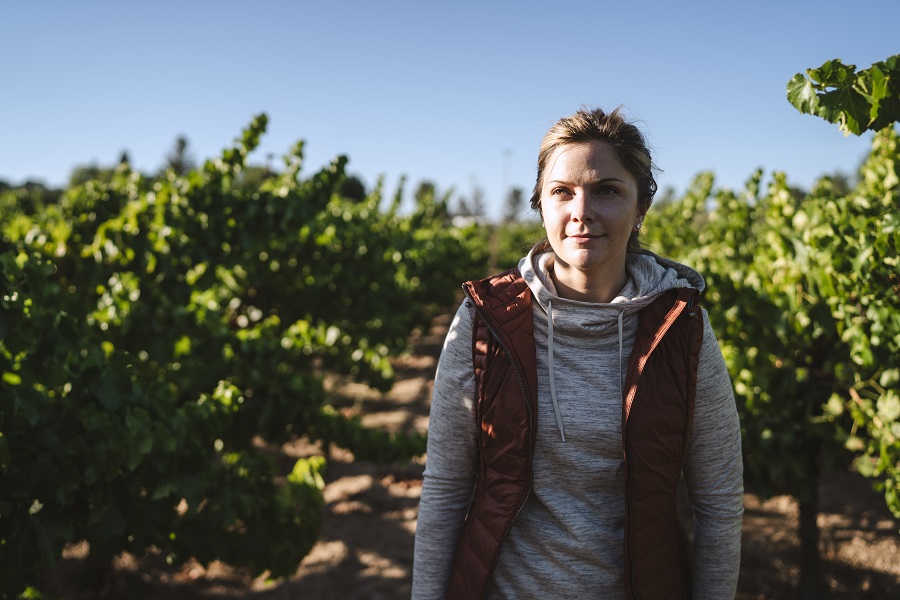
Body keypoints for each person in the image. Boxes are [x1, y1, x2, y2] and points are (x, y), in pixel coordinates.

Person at [411, 106, 744, 600]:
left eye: (607, 190)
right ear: (541, 205)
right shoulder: (486, 320)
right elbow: (445, 488)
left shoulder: (681, 328)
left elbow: (718, 501)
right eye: (562, 191)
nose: (581, 210)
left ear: (641, 209)